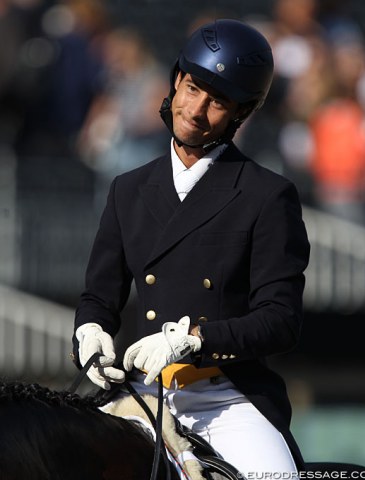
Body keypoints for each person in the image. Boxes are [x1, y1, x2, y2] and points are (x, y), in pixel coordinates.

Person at [72, 19, 310, 479]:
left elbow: (280, 321)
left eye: (218, 101)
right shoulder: (128, 189)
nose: (197, 110)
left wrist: (195, 341)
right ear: (177, 81)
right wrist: (89, 333)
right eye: (193, 87)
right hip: (139, 391)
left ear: (240, 114)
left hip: (227, 397)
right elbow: (99, 298)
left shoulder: (266, 195)